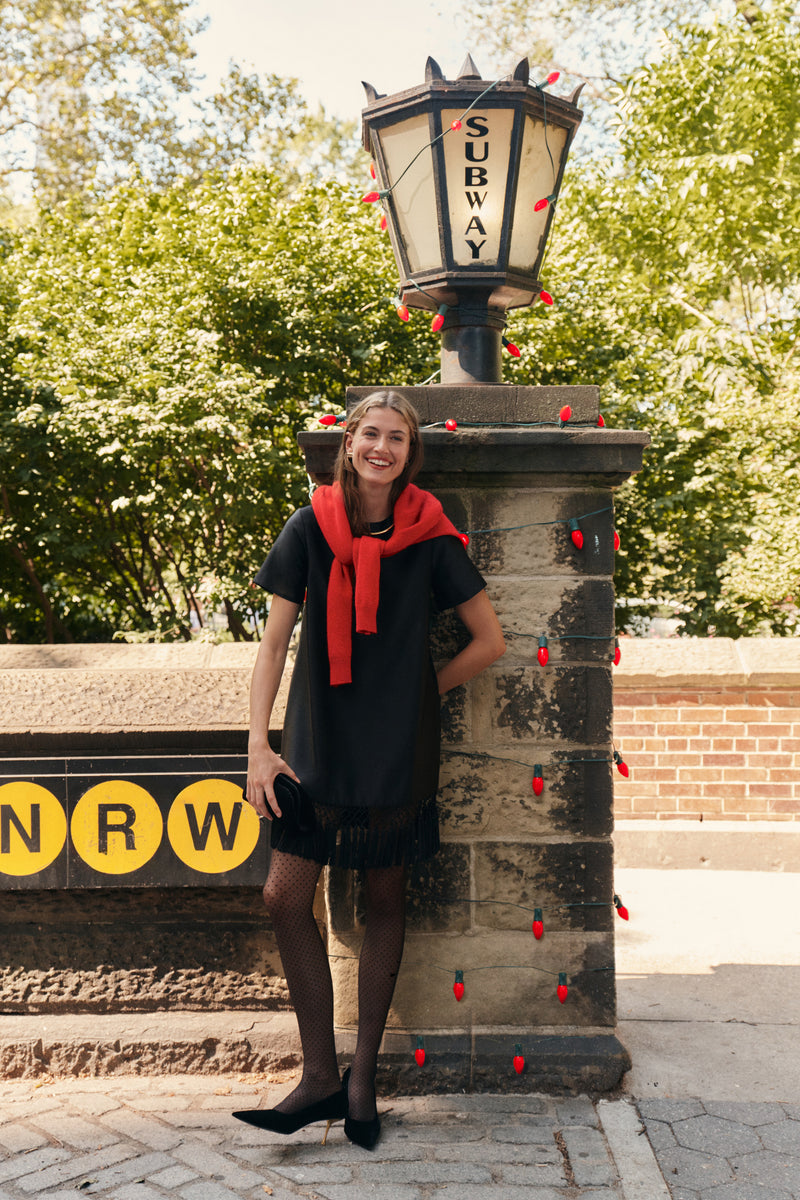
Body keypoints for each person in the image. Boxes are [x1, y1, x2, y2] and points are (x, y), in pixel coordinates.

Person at [234, 391, 505, 1149]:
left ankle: (361, 1083)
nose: (383, 448)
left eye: (398, 438)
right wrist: (258, 745)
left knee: (386, 897)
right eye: (371, 434)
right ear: (348, 443)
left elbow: (490, 640)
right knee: (285, 896)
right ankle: (318, 1075)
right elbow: (272, 645)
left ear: (410, 453)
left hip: (397, 749)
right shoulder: (309, 526)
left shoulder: (431, 536)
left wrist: (420, 695)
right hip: (316, 741)